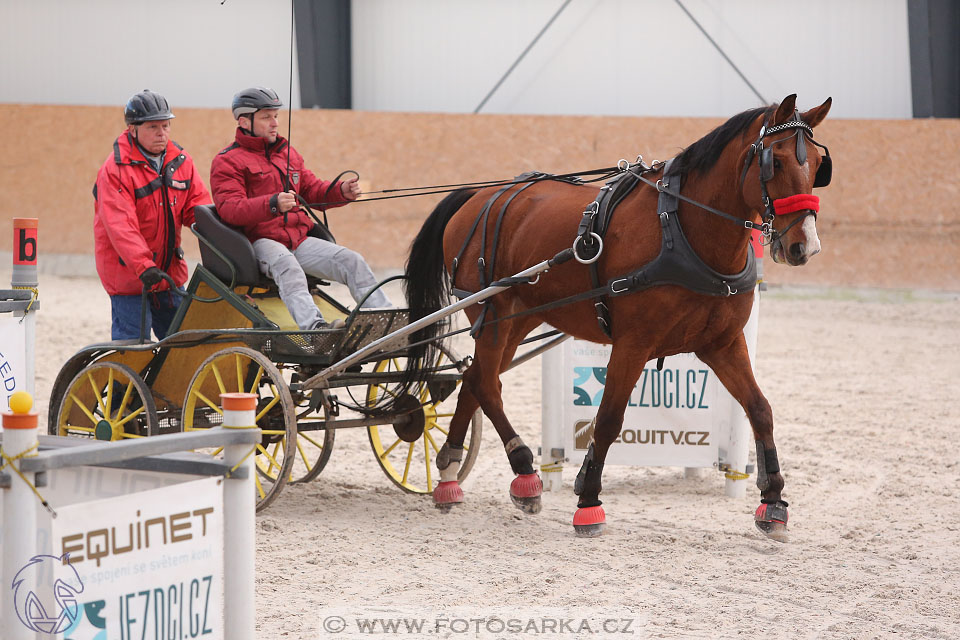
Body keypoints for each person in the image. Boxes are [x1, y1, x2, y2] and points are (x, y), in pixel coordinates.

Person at [209, 86, 391, 331]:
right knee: (288, 267)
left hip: (299, 239)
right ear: (244, 121)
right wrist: (272, 204)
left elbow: (312, 191)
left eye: (275, 116)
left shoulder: (288, 154)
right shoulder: (227, 161)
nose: (274, 123)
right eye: (266, 117)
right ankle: (315, 328)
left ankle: (385, 321)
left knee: (351, 260)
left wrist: (341, 191)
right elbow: (231, 209)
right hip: (259, 241)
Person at [93, 90, 212, 340]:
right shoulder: (115, 170)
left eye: (166, 125)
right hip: (130, 277)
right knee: (134, 348)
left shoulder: (182, 161)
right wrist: (143, 266)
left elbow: (198, 208)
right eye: (153, 127)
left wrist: (219, 237)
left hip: (168, 275)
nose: (162, 133)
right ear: (132, 129)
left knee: (182, 346)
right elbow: (121, 227)